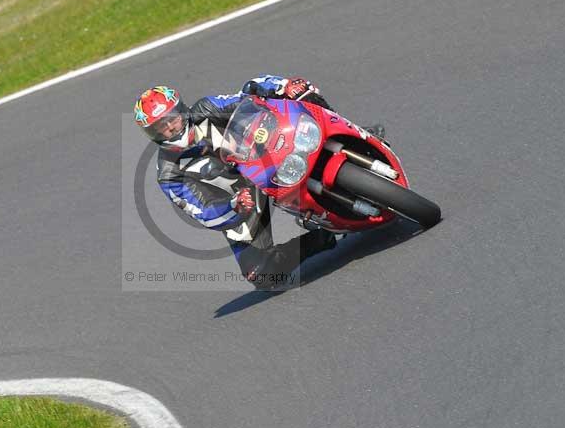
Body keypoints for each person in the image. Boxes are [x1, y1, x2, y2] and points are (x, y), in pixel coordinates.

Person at [134, 76, 385, 289]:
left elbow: (246, 98)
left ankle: (355, 135)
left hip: (260, 154)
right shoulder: (168, 174)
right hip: (240, 198)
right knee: (262, 274)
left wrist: (282, 88)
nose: (171, 129)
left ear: (182, 109)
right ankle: (324, 237)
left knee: (293, 91)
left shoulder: (207, 107)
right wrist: (232, 207)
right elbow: (202, 212)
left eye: (172, 118)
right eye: (160, 128)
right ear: (152, 134)